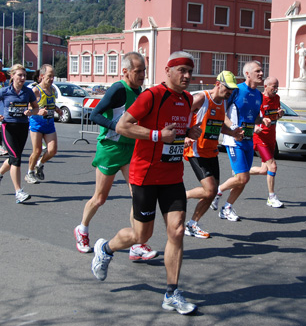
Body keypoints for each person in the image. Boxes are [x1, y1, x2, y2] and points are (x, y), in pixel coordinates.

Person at [90, 51, 201, 315]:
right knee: (142, 235)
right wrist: (155, 135)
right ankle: (105, 249)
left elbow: (173, 131)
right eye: (182, 70)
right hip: (145, 177)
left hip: (172, 176)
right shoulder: (150, 96)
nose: (187, 76)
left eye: (190, 71)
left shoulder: (186, 99)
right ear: (168, 70)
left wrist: (188, 132)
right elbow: (123, 126)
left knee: (176, 231)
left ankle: (172, 294)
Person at [74, 52, 158, 261]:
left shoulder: (141, 92)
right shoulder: (118, 89)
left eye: (144, 71)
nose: (142, 75)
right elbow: (94, 114)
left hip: (131, 150)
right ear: (125, 71)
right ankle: (82, 230)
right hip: (110, 148)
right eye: (138, 71)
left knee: (137, 196)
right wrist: (118, 127)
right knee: (100, 198)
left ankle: (136, 245)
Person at [183, 70, 242, 239]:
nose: (229, 92)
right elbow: (182, 116)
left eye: (232, 89)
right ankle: (184, 196)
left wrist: (233, 133)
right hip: (196, 151)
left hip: (211, 151)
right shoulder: (202, 98)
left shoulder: (223, 102)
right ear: (217, 84)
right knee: (209, 190)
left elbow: (218, 126)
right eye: (227, 88)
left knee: (213, 190)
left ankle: (192, 224)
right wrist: (186, 135)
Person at [212, 60, 265, 221]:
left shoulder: (259, 95)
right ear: (247, 74)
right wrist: (233, 128)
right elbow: (223, 112)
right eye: (258, 71)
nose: (261, 73)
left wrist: (263, 121)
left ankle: (227, 207)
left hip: (248, 139)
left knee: (242, 180)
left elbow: (255, 117)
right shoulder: (236, 90)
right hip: (233, 139)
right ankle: (217, 191)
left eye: (262, 71)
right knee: (243, 177)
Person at [0, 64, 39, 204]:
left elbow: (36, 108)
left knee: (13, 159)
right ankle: (18, 192)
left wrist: (31, 112)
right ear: (12, 76)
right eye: (19, 75)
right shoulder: (5, 91)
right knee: (16, 158)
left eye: (24, 76)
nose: (22, 78)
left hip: (22, 127)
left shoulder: (28, 92)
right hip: (8, 127)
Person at [249, 76, 285, 208]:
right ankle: (271, 197)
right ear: (266, 86)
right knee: (273, 166)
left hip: (271, 137)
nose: (276, 89)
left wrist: (280, 114)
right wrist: (256, 127)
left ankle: (241, 172)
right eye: (273, 86)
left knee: (265, 169)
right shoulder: (259, 99)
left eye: (277, 86)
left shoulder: (277, 98)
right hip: (260, 138)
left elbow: (276, 115)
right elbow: (251, 116)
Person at [25, 64, 62, 185]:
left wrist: (57, 109)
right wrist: (38, 111)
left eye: (53, 76)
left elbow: (50, 104)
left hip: (49, 124)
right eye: (49, 76)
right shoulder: (36, 90)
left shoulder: (52, 90)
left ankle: (39, 164)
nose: (52, 79)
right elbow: (30, 108)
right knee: (37, 150)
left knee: (52, 150)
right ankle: (29, 173)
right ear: (41, 76)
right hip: (37, 124)